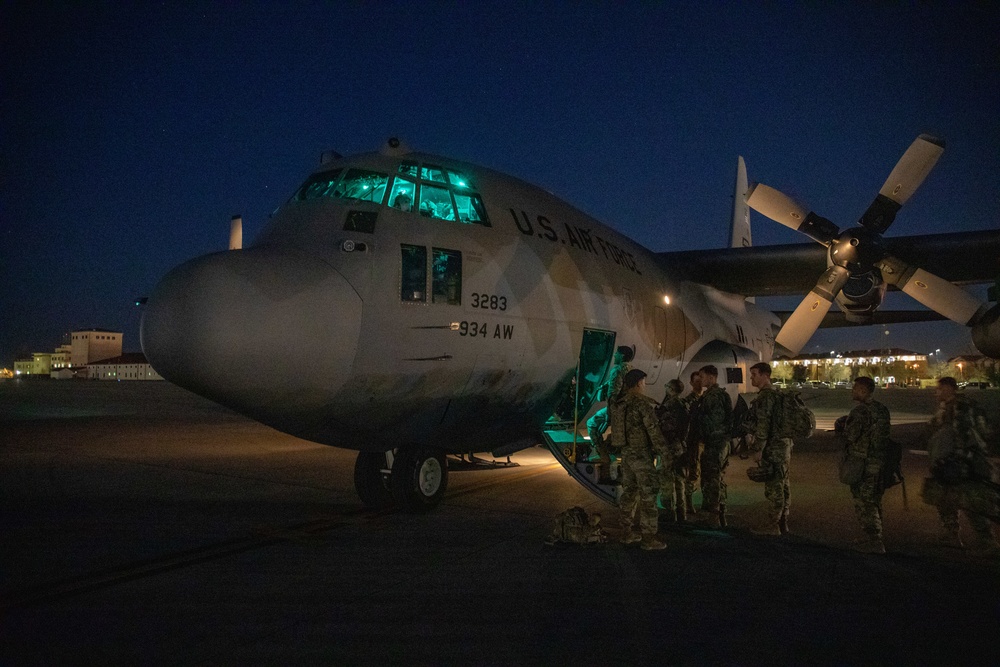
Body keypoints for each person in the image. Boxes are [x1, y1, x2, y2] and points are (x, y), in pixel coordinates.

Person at [925, 376, 1000, 556]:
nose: (937, 393)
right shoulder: (953, 407)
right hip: (955, 460)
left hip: (965, 461)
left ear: (948, 389)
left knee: (971, 499)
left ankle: (987, 542)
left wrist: (961, 459)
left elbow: (964, 435)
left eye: (940, 389)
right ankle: (951, 534)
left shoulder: (960, 407)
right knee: (944, 496)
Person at [618, 369, 667, 550]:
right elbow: (654, 432)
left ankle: (626, 532)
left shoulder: (619, 403)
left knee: (629, 492)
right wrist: (665, 453)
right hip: (641, 456)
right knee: (648, 495)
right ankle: (648, 538)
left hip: (626, 455)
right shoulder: (642, 405)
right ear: (639, 383)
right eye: (644, 382)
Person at [843, 376, 892, 554]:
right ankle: (874, 536)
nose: (853, 391)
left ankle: (875, 541)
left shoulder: (860, 412)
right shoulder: (882, 409)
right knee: (875, 500)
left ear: (863, 390)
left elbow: (850, 436)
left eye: (855, 388)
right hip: (879, 462)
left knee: (864, 502)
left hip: (862, 462)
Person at [747, 362, 794, 536]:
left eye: (754, 374)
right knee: (783, 484)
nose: (751, 377)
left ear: (765, 375)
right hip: (783, 446)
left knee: (774, 486)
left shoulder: (766, 397)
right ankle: (783, 522)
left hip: (773, 448)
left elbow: (763, 426)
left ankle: (772, 525)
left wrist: (758, 448)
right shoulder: (778, 394)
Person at [697, 365, 733, 528]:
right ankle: (719, 514)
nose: (700, 379)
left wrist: (704, 433)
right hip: (719, 442)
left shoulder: (714, 396)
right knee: (716, 478)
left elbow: (715, 421)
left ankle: (714, 517)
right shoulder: (716, 395)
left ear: (712, 377)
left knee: (712, 479)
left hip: (715, 443)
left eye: (703, 376)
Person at [585, 345, 634, 462]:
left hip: (616, 408)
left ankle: (602, 454)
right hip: (627, 407)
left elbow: (613, 393)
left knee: (591, 423)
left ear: (622, 356)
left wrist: (609, 413)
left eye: (616, 354)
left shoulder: (617, 370)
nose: (614, 355)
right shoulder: (631, 369)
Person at [655, 378, 688, 523]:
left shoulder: (668, 407)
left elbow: (665, 428)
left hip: (669, 448)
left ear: (672, 389)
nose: (665, 387)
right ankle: (682, 513)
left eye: (667, 386)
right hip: (680, 447)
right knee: (679, 480)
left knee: (666, 481)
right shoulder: (683, 404)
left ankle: (668, 515)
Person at [679, 371, 704, 516]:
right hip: (692, 442)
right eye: (695, 381)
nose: (698, 384)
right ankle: (687, 501)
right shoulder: (688, 401)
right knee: (692, 472)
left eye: (700, 381)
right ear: (691, 383)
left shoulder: (705, 399)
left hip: (701, 441)